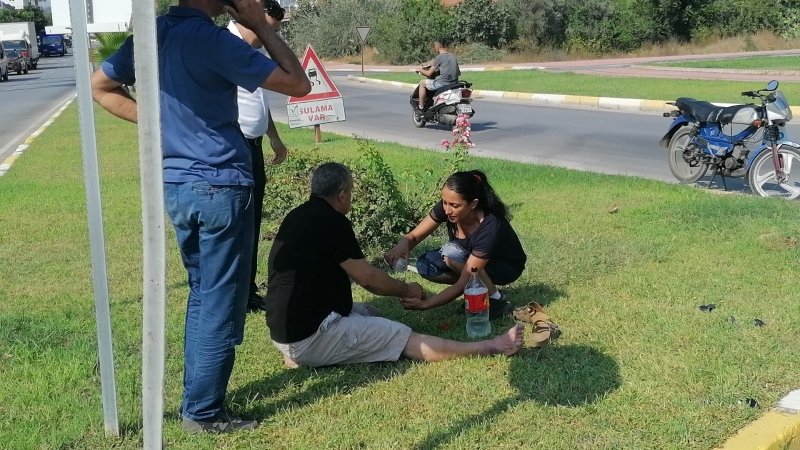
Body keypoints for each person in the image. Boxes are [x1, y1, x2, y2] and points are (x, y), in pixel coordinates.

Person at [91, 0, 311, 434]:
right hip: (220, 185)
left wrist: (160, 124)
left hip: (175, 185)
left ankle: (199, 398)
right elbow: (298, 84)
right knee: (219, 300)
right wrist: (260, 26)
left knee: (202, 291)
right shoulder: (212, 40)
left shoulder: (153, 35)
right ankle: (204, 411)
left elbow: (101, 86)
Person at [265, 163, 525, 369]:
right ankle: (492, 346)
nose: (447, 209)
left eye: (454, 204)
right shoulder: (333, 222)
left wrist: (426, 299)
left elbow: (468, 276)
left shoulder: (299, 215)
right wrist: (407, 289)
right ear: (342, 195)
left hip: (285, 330)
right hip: (309, 334)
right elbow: (368, 278)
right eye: (351, 193)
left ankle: (299, 352)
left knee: (371, 314)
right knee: (405, 337)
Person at [384, 170, 527, 320]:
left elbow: (463, 281)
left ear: (473, 204)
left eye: (454, 205)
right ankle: (478, 292)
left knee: (451, 253)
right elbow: (414, 236)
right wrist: (402, 245)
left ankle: (496, 301)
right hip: (471, 259)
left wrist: (426, 304)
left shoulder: (490, 226)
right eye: (444, 202)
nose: (447, 210)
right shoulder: (447, 209)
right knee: (426, 265)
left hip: (506, 267)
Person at [227, 3, 289, 313]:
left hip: (252, 146)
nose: (269, 37)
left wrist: (273, 136)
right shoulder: (224, 46)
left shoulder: (254, 53)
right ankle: (235, 294)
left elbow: (259, 101)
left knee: (251, 222)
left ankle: (247, 291)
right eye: (267, 29)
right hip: (232, 147)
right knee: (237, 223)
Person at [416, 37, 460, 111]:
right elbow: (458, 72)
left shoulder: (439, 57)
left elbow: (429, 73)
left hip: (443, 83)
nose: (434, 48)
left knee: (422, 83)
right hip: (454, 83)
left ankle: (421, 107)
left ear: (438, 46)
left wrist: (420, 70)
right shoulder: (453, 56)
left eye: (434, 46)